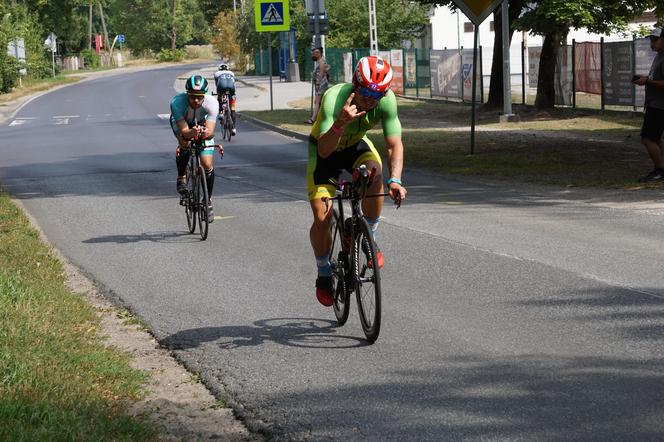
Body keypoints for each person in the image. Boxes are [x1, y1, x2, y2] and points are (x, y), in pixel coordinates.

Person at [306, 55, 407, 307]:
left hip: (355, 147)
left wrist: (395, 180)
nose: (370, 100)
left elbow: (394, 144)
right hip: (326, 149)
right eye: (365, 93)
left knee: (375, 174)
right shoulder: (334, 99)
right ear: (355, 84)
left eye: (377, 96)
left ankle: (368, 237)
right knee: (323, 216)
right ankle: (324, 271)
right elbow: (325, 151)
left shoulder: (386, 101)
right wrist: (340, 122)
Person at [170, 74, 222, 221]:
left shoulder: (212, 103)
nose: (196, 100)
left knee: (206, 163)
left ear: (205, 94)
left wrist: (205, 133)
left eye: (200, 97)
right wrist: (190, 133)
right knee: (185, 143)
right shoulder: (177, 103)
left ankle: (207, 201)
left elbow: (211, 132)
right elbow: (185, 131)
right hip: (183, 124)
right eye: (192, 97)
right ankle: (182, 178)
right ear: (187, 94)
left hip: (202, 123)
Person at [634, 27, 664, 183]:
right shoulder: (659, 56)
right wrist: (646, 79)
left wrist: (648, 81)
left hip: (660, 106)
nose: (652, 43)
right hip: (655, 104)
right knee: (656, 139)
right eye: (650, 40)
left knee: (647, 139)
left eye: (655, 40)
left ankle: (660, 171)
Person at [306, 47, 330, 124]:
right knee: (318, 101)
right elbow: (326, 69)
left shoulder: (321, 61)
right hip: (320, 82)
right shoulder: (320, 61)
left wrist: (318, 83)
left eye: (317, 52)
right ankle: (319, 118)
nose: (314, 54)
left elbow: (321, 72)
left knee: (317, 101)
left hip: (321, 83)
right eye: (314, 53)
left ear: (320, 53)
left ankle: (313, 119)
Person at [214, 63, 237, 136]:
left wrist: (219, 94)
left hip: (222, 88)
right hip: (232, 90)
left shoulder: (217, 74)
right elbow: (234, 83)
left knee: (220, 96)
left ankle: (221, 112)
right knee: (233, 109)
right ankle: (233, 128)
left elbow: (217, 84)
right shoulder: (231, 73)